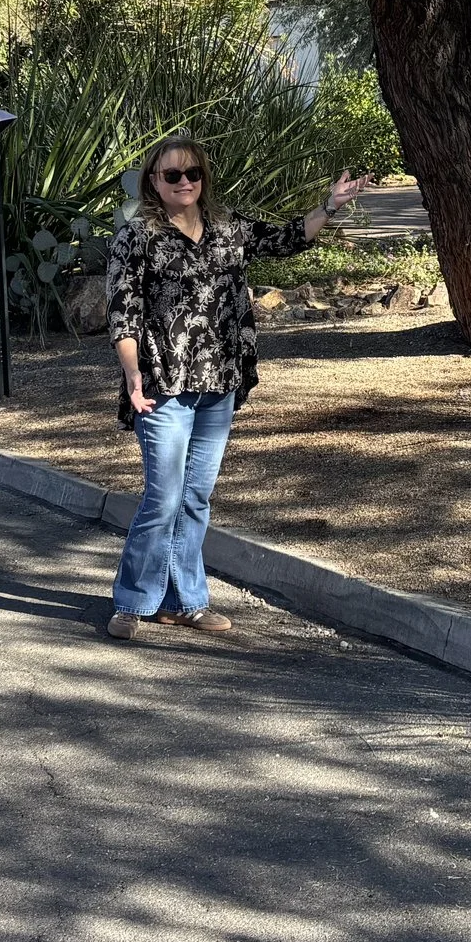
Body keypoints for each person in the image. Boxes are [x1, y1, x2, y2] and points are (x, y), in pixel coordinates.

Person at [102, 135, 368, 640]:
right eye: (172, 175)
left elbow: (288, 238)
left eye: (192, 173)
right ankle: (133, 601)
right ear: (153, 182)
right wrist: (133, 375)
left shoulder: (227, 226)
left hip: (218, 381)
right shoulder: (135, 237)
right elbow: (123, 313)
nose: (185, 183)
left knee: (196, 496)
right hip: (162, 382)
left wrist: (330, 205)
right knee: (163, 496)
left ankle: (186, 601)